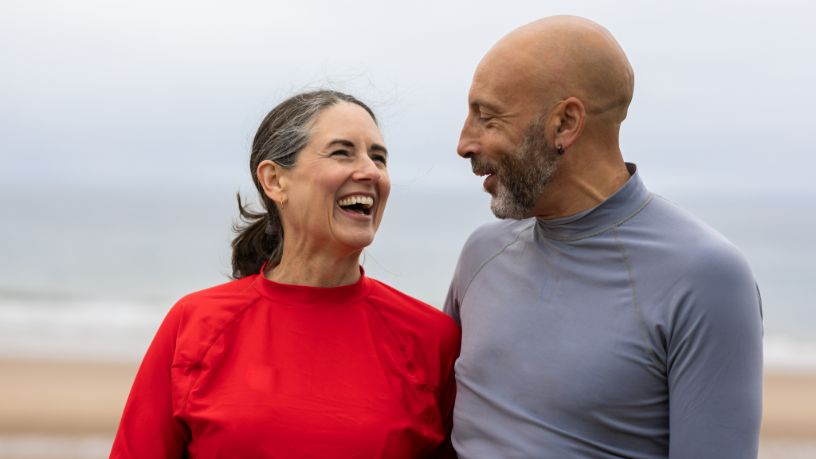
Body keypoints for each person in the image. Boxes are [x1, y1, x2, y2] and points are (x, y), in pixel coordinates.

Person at [444, 16, 763, 458]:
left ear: (565, 124)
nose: (464, 142)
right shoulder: (481, 253)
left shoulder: (706, 276)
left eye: (488, 117)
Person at [111, 90, 460, 458]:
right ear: (275, 180)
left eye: (379, 158)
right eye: (342, 152)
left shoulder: (432, 339)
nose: (370, 171)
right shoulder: (195, 324)